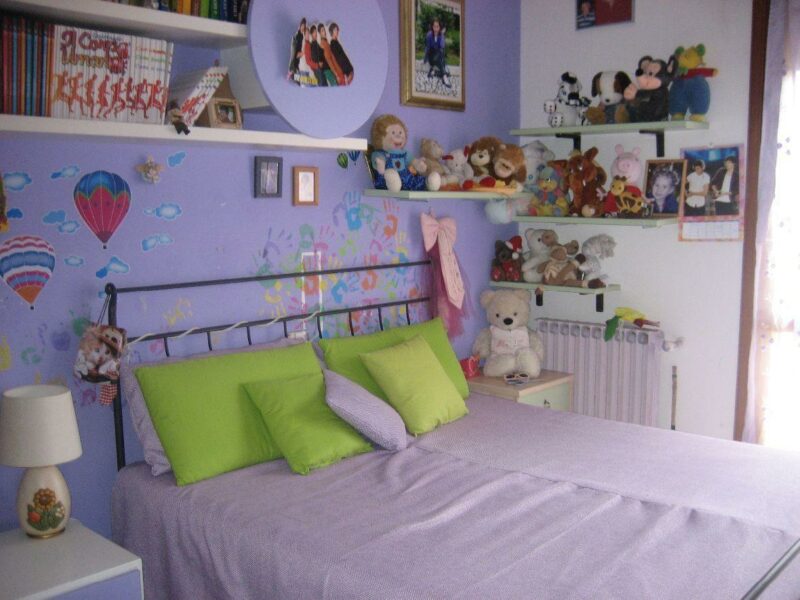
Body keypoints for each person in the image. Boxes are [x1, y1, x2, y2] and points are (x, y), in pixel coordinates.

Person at [424, 18, 450, 87]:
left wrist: (442, 36)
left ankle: (433, 72)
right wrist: (425, 59)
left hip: (438, 56)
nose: (436, 28)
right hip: (431, 57)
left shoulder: (441, 35)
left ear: (439, 27)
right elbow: (427, 48)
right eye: (434, 26)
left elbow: (442, 46)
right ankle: (444, 77)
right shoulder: (429, 35)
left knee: (440, 52)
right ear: (432, 27)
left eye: (437, 26)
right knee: (439, 55)